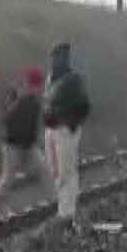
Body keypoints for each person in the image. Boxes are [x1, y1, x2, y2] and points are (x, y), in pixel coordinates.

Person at [0, 67, 56, 221]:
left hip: (28, 144)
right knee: (9, 178)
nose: (40, 88)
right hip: (13, 145)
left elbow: (35, 122)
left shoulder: (34, 100)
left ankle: (56, 204)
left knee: (43, 170)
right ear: (34, 84)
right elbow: (7, 121)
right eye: (38, 84)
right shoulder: (22, 99)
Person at [42, 42, 90, 223]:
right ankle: (63, 209)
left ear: (65, 58)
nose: (54, 60)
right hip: (51, 129)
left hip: (65, 129)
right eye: (53, 57)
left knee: (66, 172)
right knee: (55, 171)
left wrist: (72, 123)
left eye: (57, 57)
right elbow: (47, 102)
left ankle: (67, 213)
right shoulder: (51, 78)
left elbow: (84, 105)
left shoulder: (73, 79)